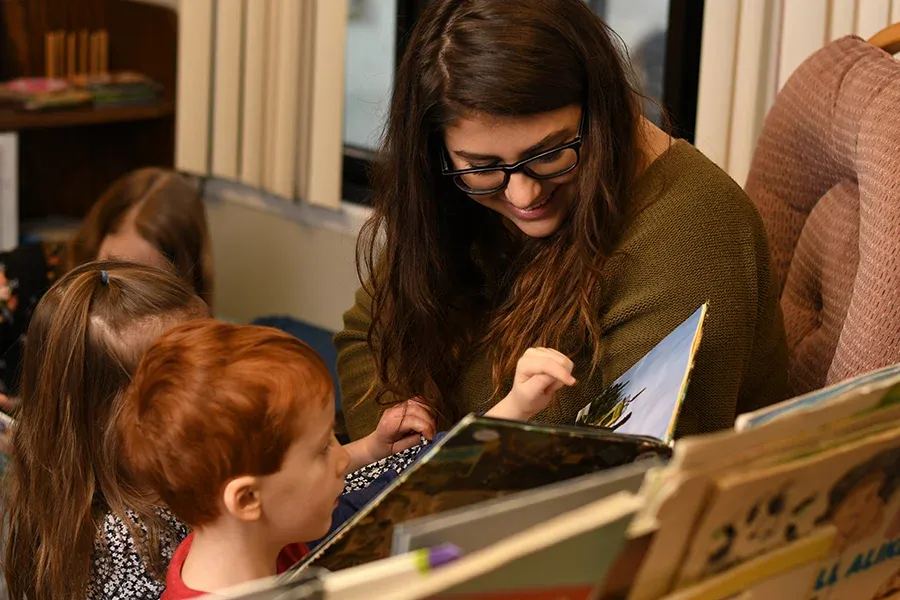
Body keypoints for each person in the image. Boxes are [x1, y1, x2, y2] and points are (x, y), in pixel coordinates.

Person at [335, 0, 790, 441]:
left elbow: (617, 471)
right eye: (481, 166)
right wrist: (402, 462)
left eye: (550, 154)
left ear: (603, 111)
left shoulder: (695, 232)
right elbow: (366, 338)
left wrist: (437, 474)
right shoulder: (455, 195)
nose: (523, 194)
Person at [0, 262, 434, 600]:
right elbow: (285, 489)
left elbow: (286, 479)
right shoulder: (124, 542)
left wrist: (370, 448)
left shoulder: (187, 481)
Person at [117, 320, 575, 598]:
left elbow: (412, 487)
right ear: (248, 498)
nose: (343, 459)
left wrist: (515, 406)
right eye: (322, 449)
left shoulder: (256, 538)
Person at [0, 167, 213, 400]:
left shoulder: (187, 334)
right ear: (96, 240)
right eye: (109, 267)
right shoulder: (21, 278)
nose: (120, 290)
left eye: (145, 283)